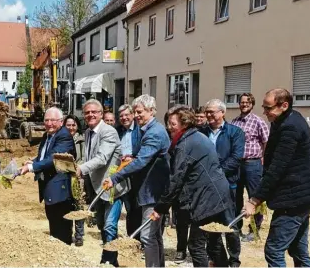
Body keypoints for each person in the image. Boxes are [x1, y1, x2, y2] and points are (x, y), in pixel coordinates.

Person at [243, 88, 310, 267]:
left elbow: (277, 168)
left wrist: (255, 199)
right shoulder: (284, 119)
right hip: (303, 194)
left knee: (274, 250)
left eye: (268, 108)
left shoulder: (291, 127)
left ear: (284, 105)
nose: (264, 112)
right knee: (298, 249)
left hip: (296, 197)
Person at [152, 105, 233, 267]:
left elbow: (176, 178)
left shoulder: (185, 144)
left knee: (195, 245)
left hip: (207, 198)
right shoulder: (197, 137)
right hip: (218, 195)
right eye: (168, 123)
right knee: (214, 240)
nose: (169, 127)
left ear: (185, 123)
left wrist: (160, 207)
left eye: (173, 124)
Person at [103, 94, 170, 268]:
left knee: (147, 236)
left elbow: (142, 161)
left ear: (151, 111)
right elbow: (141, 157)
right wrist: (132, 157)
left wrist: (115, 177)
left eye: (140, 112)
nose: (137, 115)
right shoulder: (147, 129)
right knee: (154, 236)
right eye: (135, 112)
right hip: (150, 189)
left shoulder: (154, 132)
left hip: (152, 191)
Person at [76, 99, 127, 267]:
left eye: (94, 112)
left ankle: (107, 261)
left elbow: (102, 158)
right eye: (87, 112)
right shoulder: (88, 133)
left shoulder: (109, 132)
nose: (90, 115)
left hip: (113, 187)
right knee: (101, 225)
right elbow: (89, 157)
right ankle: (112, 258)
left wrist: (81, 169)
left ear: (101, 114)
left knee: (110, 226)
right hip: (97, 188)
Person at [19, 107, 76, 245]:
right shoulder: (47, 135)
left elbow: (54, 158)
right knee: (53, 224)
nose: (49, 123)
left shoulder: (64, 136)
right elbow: (43, 156)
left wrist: (31, 167)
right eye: (47, 120)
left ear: (61, 122)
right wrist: (33, 161)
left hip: (60, 190)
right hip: (49, 188)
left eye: (53, 120)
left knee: (62, 229)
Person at [200, 99, 244, 267]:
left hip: (227, 184)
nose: (209, 115)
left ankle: (234, 260)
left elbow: (236, 158)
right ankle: (217, 259)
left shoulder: (235, 132)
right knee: (211, 224)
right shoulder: (201, 132)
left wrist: (216, 174)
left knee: (230, 223)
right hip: (206, 187)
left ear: (222, 113)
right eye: (207, 112)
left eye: (212, 112)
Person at [231, 93, 269, 242]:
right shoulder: (234, 122)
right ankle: (236, 228)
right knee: (235, 196)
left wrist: (264, 160)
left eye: (247, 102)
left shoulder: (259, 121)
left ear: (252, 104)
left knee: (255, 197)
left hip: (253, 164)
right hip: (237, 164)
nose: (244, 104)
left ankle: (254, 230)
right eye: (242, 102)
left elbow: (267, 142)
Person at [115, 104, 143, 242]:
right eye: (121, 116)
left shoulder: (140, 131)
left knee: (137, 206)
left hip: (136, 172)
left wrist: (132, 157)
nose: (124, 118)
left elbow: (143, 151)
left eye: (127, 115)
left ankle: (138, 239)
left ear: (132, 115)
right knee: (128, 207)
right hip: (121, 172)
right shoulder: (118, 131)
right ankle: (131, 237)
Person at [63, 115, 87, 246]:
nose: (71, 128)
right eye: (68, 125)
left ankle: (79, 235)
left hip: (77, 178)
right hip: (64, 177)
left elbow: (84, 158)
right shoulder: (61, 139)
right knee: (65, 206)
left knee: (78, 206)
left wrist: (76, 169)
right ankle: (66, 233)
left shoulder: (81, 140)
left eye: (73, 125)